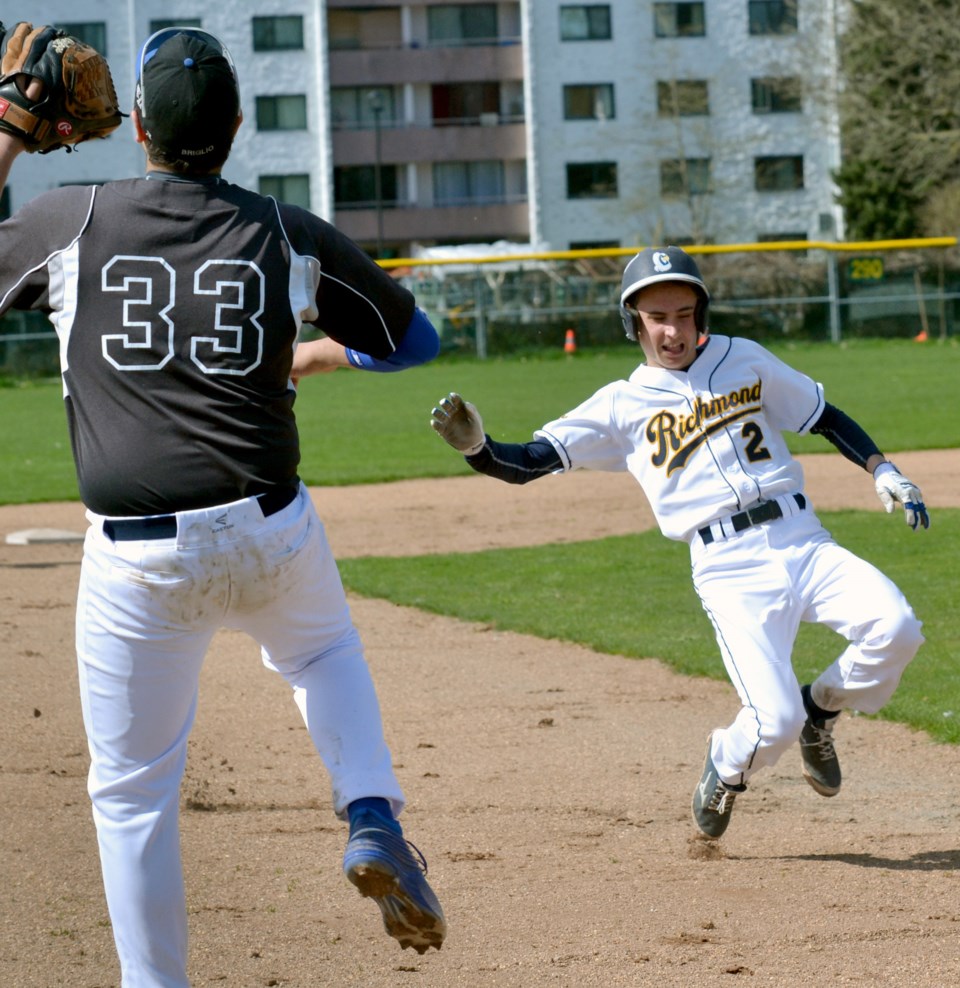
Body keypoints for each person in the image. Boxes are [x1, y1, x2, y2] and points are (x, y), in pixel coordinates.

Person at [0, 23, 445, 985]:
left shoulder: (68, 220)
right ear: (238, 127)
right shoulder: (284, 231)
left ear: (139, 134)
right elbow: (419, 344)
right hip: (268, 527)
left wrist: (7, 125)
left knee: (132, 795)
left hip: (136, 561)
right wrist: (320, 346)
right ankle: (370, 811)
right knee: (322, 650)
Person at [430, 245, 928, 841]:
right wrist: (478, 451)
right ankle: (726, 763)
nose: (674, 329)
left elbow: (823, 414)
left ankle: (822, 709)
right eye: (658, 316)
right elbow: (532, 460)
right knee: (774, 722)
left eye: (685, 313)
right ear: (634, 322)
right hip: (728, 567)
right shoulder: (621, 405)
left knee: (895, 627)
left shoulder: (743, 359)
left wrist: (882, 469)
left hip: (802, 538)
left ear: (702, 315)